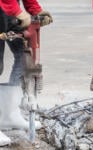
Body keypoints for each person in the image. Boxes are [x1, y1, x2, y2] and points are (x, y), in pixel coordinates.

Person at [0, 0, 52, 137]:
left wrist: (35, 9)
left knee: (25, 53)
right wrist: (16, 10)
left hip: (7, 8)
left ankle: (10, 114)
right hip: (7, 5)